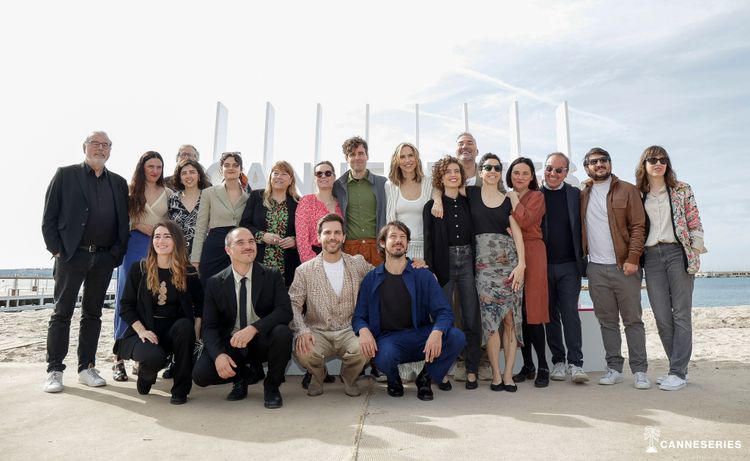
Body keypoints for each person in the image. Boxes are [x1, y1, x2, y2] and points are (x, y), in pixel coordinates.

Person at [42, 131, 129, 393]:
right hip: (72, 256)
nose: (100, 148)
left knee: (93, 314)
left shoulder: (118, 182)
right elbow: (49, 217)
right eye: (95, 144)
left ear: (110, 150)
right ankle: (54, 370)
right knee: (62, 313)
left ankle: (86, 368)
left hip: (103, 257)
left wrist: (116, 253)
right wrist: (57, 250)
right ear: (85, 147)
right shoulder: (65, 175)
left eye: (106, 145)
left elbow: (123, 222)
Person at [352, 221, 466, 401]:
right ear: (382, 243)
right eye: (393, 236)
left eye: (403, 237)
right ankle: (393, 378)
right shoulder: (371, 279)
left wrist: (437, 332)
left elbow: (444, 311)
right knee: (383, 357)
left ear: (407, 244)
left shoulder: (422, 274)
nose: (398, 240)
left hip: (421, 336)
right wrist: (364, 330)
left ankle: (425, 378)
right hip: (390, 340)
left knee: (456, 336)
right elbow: (359, 316)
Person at [192, 227, 293, 409]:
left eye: (251, 241)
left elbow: (285, 311)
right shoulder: (215, 283)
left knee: (282, 333)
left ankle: (271, 386)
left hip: (261, 340)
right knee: (201, 375)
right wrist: (218, 356)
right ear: (228, 250)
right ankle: (242, 377)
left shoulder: (271, 275)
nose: (248, 246)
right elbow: (209, 327)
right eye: (240, 242)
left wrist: (254, 328)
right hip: (232, 343)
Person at [635, 146, 706, 391]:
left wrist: (694, 250)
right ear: (644, 164)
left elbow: (694, 221)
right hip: (651, 257)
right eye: (653, 159)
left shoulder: (682, 189)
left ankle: (678, 372)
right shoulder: (637, 193)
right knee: (662, 317)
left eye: (663, 159)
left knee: (681, 314)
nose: (658, 163)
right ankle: (676, 369)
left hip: (677, 253)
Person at [580, 147, 650, 389]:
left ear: (610, 163)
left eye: (603, 160)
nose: (599, 164)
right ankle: (614, 369)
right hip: (596, 269)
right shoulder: (583, 194)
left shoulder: (628, 190)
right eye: (593, 162)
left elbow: (639, 226)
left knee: (633, 321)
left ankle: (640, 371)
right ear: (587, 167)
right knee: (607, 322)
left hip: (625, 267)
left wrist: (633, 258)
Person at [116, 222, 203, 404]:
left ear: (176, 241)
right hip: (144, 331)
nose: (160, 241)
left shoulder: (188, 272)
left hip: (173, 331)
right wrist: (141, 331)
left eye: (167, 236)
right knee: (155, 357)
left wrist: (195, 331)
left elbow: (200, 305)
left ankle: (180, 391)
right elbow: (125, 306)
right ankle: (145, 375)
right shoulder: (139, 269)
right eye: (157, 236)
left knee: (185, 327)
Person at [289, 214, 369, 396]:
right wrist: (302, 331)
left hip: (349, 330)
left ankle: (349, 377)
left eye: (337, 233)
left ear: (344, 237)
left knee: (366, 348)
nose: (332, 237)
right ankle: (318, 375)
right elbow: (294, 304)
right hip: (317, 331)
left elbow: (383, 275)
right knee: (303, 351)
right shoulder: (304, 270)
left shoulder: (357, 263)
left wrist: (412, 264)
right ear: (319, 237)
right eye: (327, 233)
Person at [467, 153, 525, 392]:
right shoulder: (470, 194)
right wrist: (437, 200)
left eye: (497, 168)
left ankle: (509, 374)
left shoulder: (509, 199)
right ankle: (496, 375)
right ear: (480, 171)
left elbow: (518, 233)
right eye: (488, 167)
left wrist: (522, 265)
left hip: (509, 266)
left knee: (510, 320)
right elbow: (443, 187)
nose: (492, 171)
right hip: (483, 268)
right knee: (490, 322)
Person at [423, 156, 482, 390]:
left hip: (468, 261)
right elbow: (428, 242)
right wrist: (431, 270)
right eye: (447, 171)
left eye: (456, 171)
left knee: (471, 317)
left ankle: (472, 369)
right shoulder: (431, 207)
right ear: (440, 177)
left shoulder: (470, 201)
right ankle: (442, 371)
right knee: (443, 318)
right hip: (443, 263)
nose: (453, 175)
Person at [113, 151, 171, 381]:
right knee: (126, 296)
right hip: (133, 245)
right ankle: (118, 358)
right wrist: (136, 224)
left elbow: (172, 221)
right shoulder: (130, 191)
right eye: (150, 166)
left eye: (159, 167)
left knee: (148, 299)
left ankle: (140, 354)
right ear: (142, 168)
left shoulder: (168, 192)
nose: (155, 171)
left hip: (157, 247)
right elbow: (119, 219)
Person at [541, 153, 590, 383]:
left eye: (559, 170)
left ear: (566, 173)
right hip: (542, 266)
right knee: (550, 316)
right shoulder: (534, 195)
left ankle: (576, 364)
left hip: (570, 265)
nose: (553, 173)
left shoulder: (575, 195)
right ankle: (558, 362)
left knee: (570, 313)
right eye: (549, 168)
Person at [506, 157, 551, 388]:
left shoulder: (537, 196)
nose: (520, 177)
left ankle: (543, 365)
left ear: (532, 176)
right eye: (516, 172)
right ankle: (528, 365)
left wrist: (514, 198)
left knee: (533, 311)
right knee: (519, 312)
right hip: (510, 252)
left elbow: (524, 221)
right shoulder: (504, 196)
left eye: (525, 173)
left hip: (533, 252)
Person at [191, 152, 249, 286]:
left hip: (238, 250)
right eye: (227, 165)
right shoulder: (209, 193)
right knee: (208, 289)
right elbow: (200, 228)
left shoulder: (248, 198)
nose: (231, 168)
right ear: (221, 169)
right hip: (213, 249)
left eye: (235, 165)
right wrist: (195, 260)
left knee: (234, 291)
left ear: (241, 169)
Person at [240, 160, 301, 287]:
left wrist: (294, 241)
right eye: (276, 173)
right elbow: (244, 225)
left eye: (284, 174)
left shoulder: (297, 203)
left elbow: (303, 232)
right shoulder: (256, 196)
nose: (279, 177)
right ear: (270, 177)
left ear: (291, 180)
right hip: (258, 261)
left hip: (287, 265)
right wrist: (262, 236)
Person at [334, 136, 388, 265]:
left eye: (360, 153)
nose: (357, 157)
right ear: (346, 158)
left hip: (377, 248)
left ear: (367, 156)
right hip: (349, 248)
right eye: (352, 154)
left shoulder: (383, 183)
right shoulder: (338, 186)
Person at [385, 142, 432, 260]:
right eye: (402, 157)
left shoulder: (429, 183)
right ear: (397, 161)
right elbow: (390, 221)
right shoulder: (390, 186)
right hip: (400, 248)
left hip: (426, 248)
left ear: (416, 158)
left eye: (410, 155)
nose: (407, 160)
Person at [295, 161, 343, 263]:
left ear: (334, 177)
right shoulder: (306, 201)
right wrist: (312, 263)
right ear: (315, 178)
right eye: (319, 174)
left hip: (339, 255)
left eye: (328, 173)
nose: (323, 176)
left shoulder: (342, 203)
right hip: (314, 255)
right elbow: (302, 239)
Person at [168, 159, 211, 256]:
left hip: (204, 252)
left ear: (199, 176)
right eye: (184, 173)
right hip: (177, 253)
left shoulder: (208, 197)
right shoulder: (173, 199)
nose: (188, 176)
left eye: (192, 172)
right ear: (180, 178)